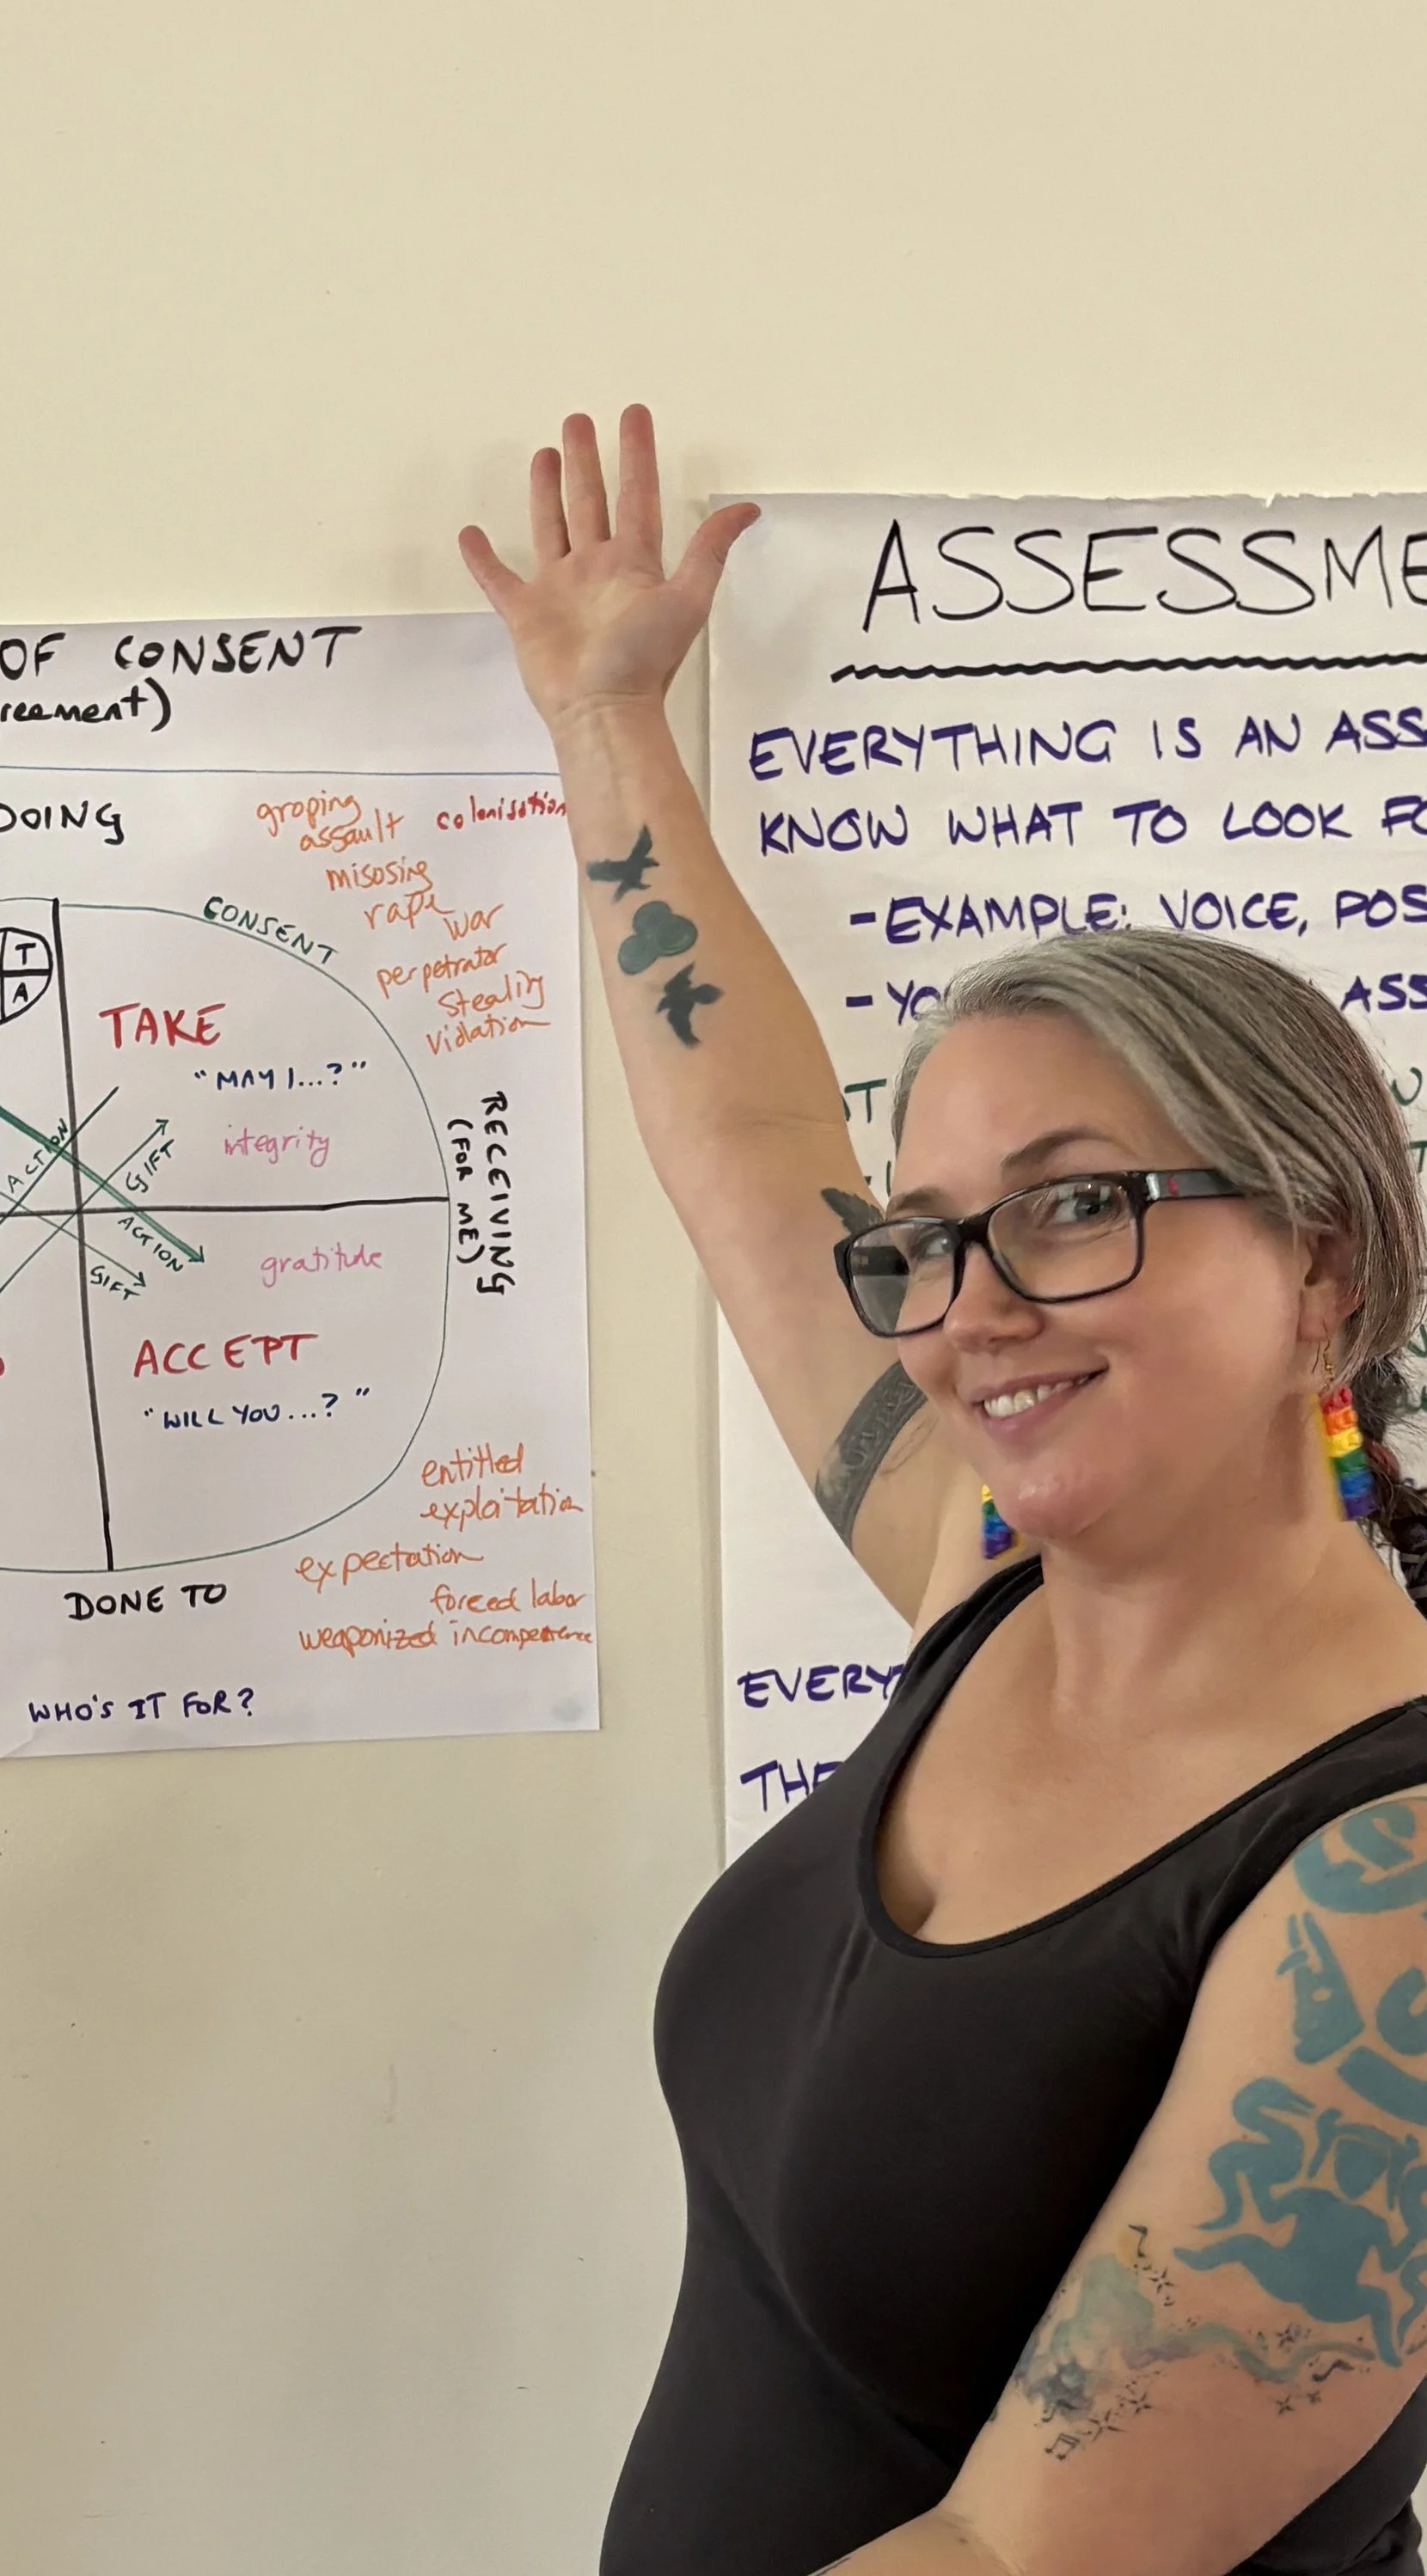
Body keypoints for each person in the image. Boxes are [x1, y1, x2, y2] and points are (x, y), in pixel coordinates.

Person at [460, 409, 1427, 2576]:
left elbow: (1029, 2557)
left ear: (1324, 1273)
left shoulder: (1391, 1874)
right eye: (931, 1233)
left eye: (1078, 1206)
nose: (971, 1304)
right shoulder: (981, 1577)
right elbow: (747, 1146)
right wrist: (604, 715)